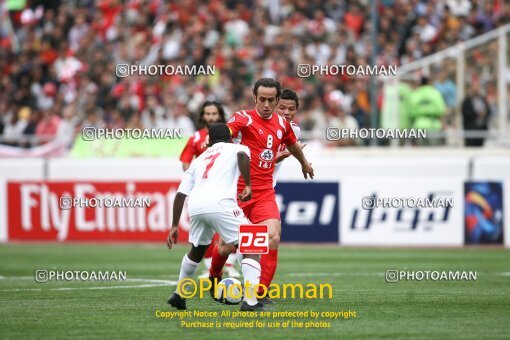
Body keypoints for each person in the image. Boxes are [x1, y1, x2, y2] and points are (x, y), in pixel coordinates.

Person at [208, 78, 314, 304]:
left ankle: (258, 294)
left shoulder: (282, 125)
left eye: (271, 100)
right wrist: (217, 136)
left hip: (264, 191)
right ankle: (214, 276)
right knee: (226, 246)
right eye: (262, 99)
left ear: (276, 100)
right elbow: (228, 130)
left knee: (273, 237)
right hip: (237, 190)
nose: (266, 104)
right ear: (255, 97)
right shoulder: (243, 118)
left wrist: (304, 162)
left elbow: (293, 143)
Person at [166, 123, 263, 311]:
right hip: (221, 203)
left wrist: (174, 226)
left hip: (196, 206)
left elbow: (180, 194)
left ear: (209, 139)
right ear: (229, 137)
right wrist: (249, 185)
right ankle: (251, 301)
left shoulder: (199, 159)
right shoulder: (237, 147)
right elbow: (242, 156)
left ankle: (179, 294)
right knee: (253, 242)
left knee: (197, 251)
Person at [178, 101, 238, 279]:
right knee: (208, 234)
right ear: (202, 116)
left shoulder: (229, 137)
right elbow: (185, 162)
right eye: (207, 113)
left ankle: (229, 265)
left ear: (220, 115)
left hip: (226, 189)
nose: (211, 117)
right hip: (204, 188)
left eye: (214, 113)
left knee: (228, 231)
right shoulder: (195, 138)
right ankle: (210, 267)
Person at [461, 81, 491, 147]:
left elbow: (488, 111)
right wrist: (477, 114)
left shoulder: (483, 99)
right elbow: (465, 112)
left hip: (481, 129)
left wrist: (484, 114)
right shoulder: (467, 100)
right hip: (471, 130)